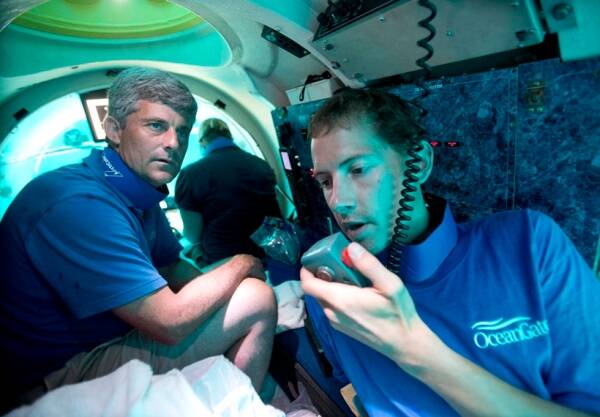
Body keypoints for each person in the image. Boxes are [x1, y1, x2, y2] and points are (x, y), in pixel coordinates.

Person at [300, 89, 600, 417]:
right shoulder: (331, 293)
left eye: (358, 170)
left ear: (420, 163)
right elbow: (354, 392)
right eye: (326, 182)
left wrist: (413, 349)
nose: (338, 201)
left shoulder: (527, 242)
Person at [0, 67, 277, 412]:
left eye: (183, 131)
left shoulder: (135, 188)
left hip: (103, 338)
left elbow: (171, 264)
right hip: (54, 374)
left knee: (227, 283)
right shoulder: (78, 203)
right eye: (156, 126)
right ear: (114, 130)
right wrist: (243, 263)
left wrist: (220, 290)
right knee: (256, 296)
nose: (173, 143)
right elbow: (169, 322)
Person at [175, 117, 281, 265]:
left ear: (203, 143)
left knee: (185, 250)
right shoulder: (261, 164)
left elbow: (193, 235)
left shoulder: (190, 174)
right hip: (268, 253)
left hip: (224, 261)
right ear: (229, 137)